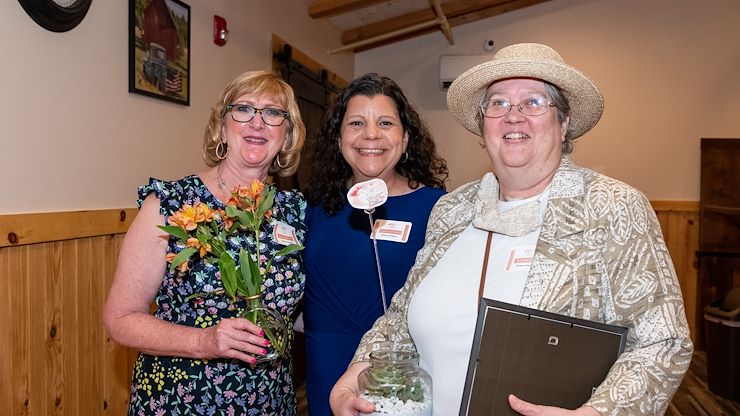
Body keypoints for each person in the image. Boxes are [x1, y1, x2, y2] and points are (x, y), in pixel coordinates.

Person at [329, 44, 693, 416]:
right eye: (498, 103)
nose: (513, 117)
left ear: (563, 122)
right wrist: (353, 376)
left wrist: (596, 414)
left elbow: (663, 341)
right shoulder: (453, 209)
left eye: (533, 102)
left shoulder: (611, 206)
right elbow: (400, 318)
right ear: (483, 123)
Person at [103, 70, 307, 415]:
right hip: (182, 399)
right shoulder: (170, 206)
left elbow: (300, 310)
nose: (257, 122)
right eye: (243, 109)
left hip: (269, 401)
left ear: (286, 137)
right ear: (222, 127)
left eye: (273, 113)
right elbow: (120, 319)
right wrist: (204, 342)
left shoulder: (296, 212)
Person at [301, 73, 448, 415]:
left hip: (401, 370)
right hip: (327, 365)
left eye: (385, 123)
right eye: (356, 122)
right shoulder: (312, 206)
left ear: (406, 137)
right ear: (338, 139)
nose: (371, 134)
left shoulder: (438, 209)